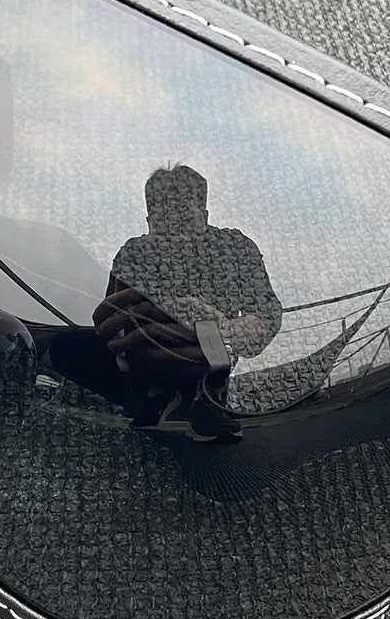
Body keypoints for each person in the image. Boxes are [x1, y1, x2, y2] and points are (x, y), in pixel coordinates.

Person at [50, 165, 282, 441]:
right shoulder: (134, 252)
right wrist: (119, 342)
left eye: (182, 214)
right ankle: (150, 400)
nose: (174, 230)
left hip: (209, 367)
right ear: (149, 220)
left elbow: (268, 316)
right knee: (63, 347)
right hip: (140, 369)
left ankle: (201, 401)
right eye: (163, 217)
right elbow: (112, 315)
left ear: (204, 214)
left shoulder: (234, 246)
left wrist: (219, 331)